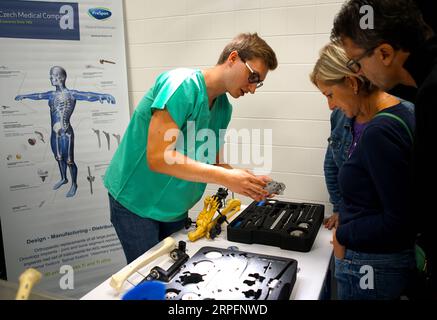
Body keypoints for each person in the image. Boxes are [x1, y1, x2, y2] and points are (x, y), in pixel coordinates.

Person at [103, 33, 277, 264]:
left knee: (174, 274)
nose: (253, 88)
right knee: (148, 279)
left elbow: (212, 163)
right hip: (137, 202)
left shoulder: (224, 108)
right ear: (233, 58)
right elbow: (158, 158)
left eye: (259, 82)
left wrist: (246, 181)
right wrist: (227, 176)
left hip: (174, 208)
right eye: (252, 76)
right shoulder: (180, 85)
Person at [331, 0, 437, 299]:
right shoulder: (414, 97)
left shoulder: (426, 97)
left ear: (385, 53)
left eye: (357, 62)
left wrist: (344, 234)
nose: (360, 73)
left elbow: (403, 215)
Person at [310, 43, 416, 300]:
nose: (330, 105)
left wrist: (344, 234)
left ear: (352, 83)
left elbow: (399, 220)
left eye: (330, 94)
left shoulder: (380, 132)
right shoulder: (397, 114)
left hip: (373, 264)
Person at [15, 66, 116, 197]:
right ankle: (64, 178)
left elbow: (87, 95)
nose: (51, 78)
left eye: (53, 75)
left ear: (61, 78)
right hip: (54, 133)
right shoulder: (51, 95)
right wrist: (25, 96)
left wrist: (103, 95)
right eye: (50, 75)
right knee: (58, 157)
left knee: (69, 160)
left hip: (66, 132)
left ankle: (74, 184)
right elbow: (38, 95)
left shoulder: (71, 94)